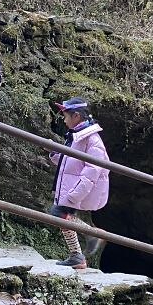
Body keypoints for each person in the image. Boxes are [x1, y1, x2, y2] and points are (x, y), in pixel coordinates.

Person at [49, 97, 109, 270]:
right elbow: (69, 162)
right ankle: (77, 256)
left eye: (66, 115)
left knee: (58, 214)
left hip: (75, 189)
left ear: (76, 116)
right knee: (60, 215)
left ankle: (93, 235)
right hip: (70, 187)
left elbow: (92, 171)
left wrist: (75, 194)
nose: (63, 119)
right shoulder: (77, 136)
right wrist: (54, 151)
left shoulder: (92, 140)